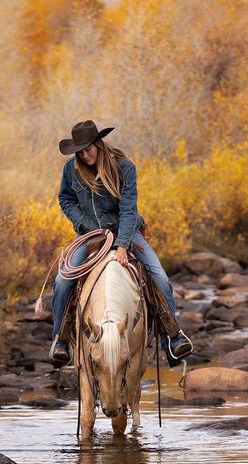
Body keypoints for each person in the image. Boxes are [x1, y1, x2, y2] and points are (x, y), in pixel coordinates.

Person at [50, 119, 193, 367]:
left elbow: (128, 209)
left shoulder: (124, 167)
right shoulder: (71, 169)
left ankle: (171, 338)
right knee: (63, 280)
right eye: (80, 151)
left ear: (99, 144)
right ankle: (60, 340)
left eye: (89, 149)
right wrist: (84, 224)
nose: (85, 155)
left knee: (159, 277)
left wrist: (124, 245)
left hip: (126, 231)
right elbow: (65, 199)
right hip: (90, 233)